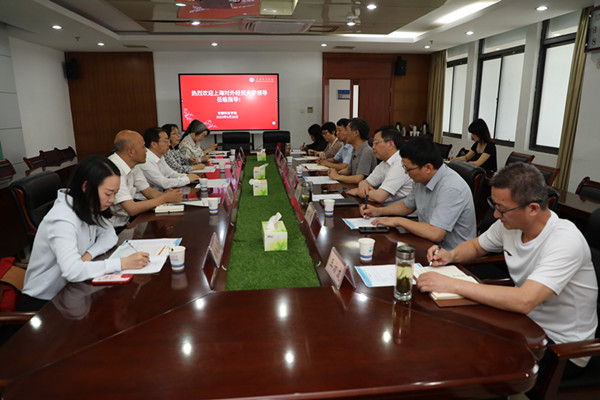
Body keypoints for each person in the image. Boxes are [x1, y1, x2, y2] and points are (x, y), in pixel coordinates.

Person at [419, 162, 598, 380]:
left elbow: (524, 300)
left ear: (533, 208)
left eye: (502, 209)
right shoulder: (510, 225)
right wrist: (450, 255)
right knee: (454, 336)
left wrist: (452, 284)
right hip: (523, 324)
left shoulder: (565, 241)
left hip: (561, 347)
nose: (495, 214)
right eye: (494, 205)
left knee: (473, 363)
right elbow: (477, 246)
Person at [17, 156, 150, 311]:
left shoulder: (87, 205)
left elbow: (109, 235)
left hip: (70, 294)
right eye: (108, 194)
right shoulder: (62, 218)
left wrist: (88, 254)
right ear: (86, 187)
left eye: (115, 193)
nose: (112, 200)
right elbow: (72, 271)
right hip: (44, 303)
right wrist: (122, 263)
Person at [361, 136, 476, 250]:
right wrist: (378, 211)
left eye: (408, 169)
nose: (406, 173)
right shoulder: (421, 178)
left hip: (451, 253)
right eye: (404, 167)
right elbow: (407, 206)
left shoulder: (451, 188)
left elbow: (435, 233)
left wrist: (398, 221)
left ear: (428, 168)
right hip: (426, 243)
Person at [108, 130, 183, 232]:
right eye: (143, 147)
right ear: (131, 152)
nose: (146, 151)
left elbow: (148, 192)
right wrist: (165, 198)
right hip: (112, 229)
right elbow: (131, 209)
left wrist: (171, 197)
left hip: (127, 223)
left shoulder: (133, 165)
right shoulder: (113, 169)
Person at [346, 127, 412, 205]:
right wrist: (363, 186)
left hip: (398, 211)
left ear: (390, 144)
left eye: (376, 143)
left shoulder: (400, 163)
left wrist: (358, 191)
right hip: (383, 208)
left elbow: (379, 197)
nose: (373, 147)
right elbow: (365, 182)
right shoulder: (384, 163)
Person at [138, 127, 200, 191]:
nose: (169, 144)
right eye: (166, 141)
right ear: (154, 144)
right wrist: (187, 179)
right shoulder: (145, 160)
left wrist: (187, 176)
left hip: (161, 193)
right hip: (150, 196)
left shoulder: (160, 155)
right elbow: (163, 183)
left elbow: (171, 174)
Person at [328, 117, 377, 184]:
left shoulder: (366, 151)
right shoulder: (355, 149)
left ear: (356, 133)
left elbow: (358, 178)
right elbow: (348, 170)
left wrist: (337, 176)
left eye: (347, 130)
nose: (345, 133)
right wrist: (337, 173)